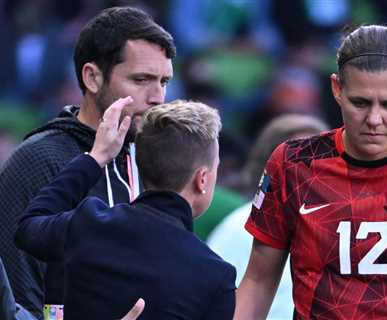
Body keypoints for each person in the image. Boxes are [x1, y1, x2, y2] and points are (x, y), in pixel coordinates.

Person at [234, 25, 387, 319]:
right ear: (337, 88)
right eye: (360, 102)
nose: (374, 119)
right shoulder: (293, 163)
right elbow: (259, 281)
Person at [0, 6, 175, 318]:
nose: (157, 97)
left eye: (163, 81)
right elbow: (17, 296)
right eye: (141, 79)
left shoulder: (151, 159)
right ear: (93, 77)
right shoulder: (39, 159)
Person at [15, 98, 236, 319]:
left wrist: (95, 158)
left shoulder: (90, 223)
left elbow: (28, 228)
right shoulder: (215, 277)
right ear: (203, 179)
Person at [208, 114, 328, 319]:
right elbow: (211, 300)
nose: (313, 171)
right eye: (301, 161)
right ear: (270, 166)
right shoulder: (239, 226)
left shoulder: (342, 221)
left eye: (321, 159)